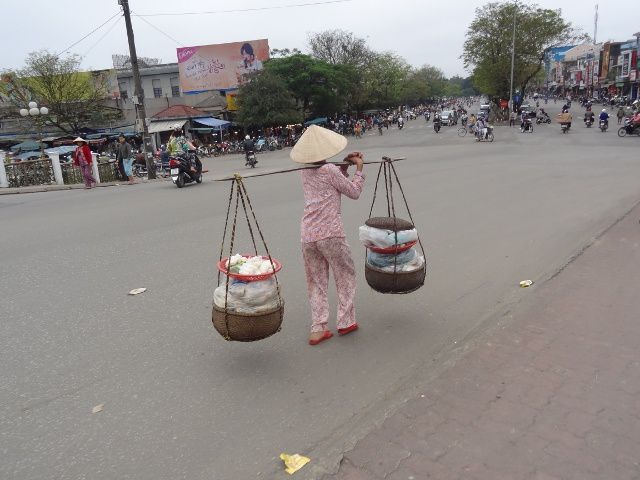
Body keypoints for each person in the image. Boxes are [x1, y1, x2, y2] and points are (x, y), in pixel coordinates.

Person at [290, 125, 365, 345]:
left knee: (316, 281)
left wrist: (344, 165)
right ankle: (345, 321)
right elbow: (353, 192)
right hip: (331, 234)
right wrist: (358, 169)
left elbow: (327, 182)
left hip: (308, 235)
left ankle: (318, 327)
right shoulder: (330, 170)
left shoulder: (303, 172)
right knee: (345, 275)